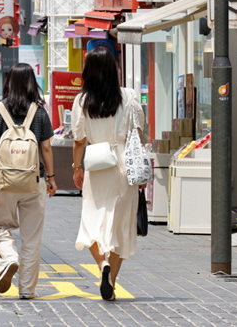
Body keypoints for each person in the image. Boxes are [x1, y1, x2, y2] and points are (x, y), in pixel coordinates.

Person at [0, 63, 57, 299]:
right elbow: (47, 147)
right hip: (33, 181)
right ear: (32, 83)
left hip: (2, 182)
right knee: (32, 237)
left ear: (8, 81)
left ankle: (9, 259)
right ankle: (27, 289)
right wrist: (51, 178)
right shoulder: (39, 112)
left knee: (0, 227)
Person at [71, 46, 144, 301]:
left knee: (91, 222)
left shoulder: (81, 101)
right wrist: (140, 172)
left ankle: (102, 265)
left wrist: (76, 168)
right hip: (124, 165)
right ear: (114, 69)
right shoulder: (129, 97)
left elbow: (79, 140)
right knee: (120, 226)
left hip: (96, 166)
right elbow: (138, 136)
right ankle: (111, 280)